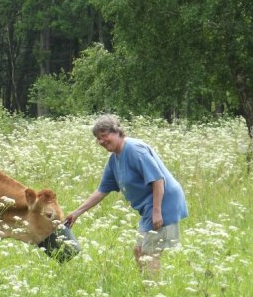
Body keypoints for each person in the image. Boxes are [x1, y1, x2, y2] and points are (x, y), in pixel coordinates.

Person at [64, 115, 188, 273]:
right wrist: (76, 213)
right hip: (150, 206)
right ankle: (147, 288)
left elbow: (158, 181)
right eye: (98, 138)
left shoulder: (134, 149)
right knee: (138, 250)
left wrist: (157, 212)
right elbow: (102, 190)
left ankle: (152, 292)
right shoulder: (114, 159)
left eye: (104, 136)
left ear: (116, 132)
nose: (101, 141)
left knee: (149, 253)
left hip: (163, 202)